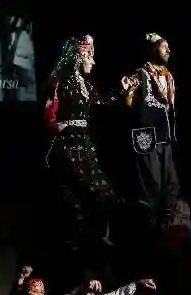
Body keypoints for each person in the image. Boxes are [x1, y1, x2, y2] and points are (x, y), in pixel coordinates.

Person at [44, 35, 131, 249]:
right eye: (90, 57)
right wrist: (60, 126)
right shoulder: (62, 82)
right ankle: (76, 243)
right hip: (69, 145)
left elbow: (103, 101)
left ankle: (97, 238)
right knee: (77, 195)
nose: (93, 62)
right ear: (80, 56)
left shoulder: (86, 85)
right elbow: (49, 110)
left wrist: (121, 89)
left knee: (100, 192)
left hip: (85, 144)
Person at [121, 33, 187, 230]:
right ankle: (148, 234)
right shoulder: (141, 74)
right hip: (147, 138)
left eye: (168, 46)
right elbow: (129, 94)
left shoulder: (168, 76)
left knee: (172, 186)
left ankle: (167, 231)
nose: (168, 50)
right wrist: (128, 90)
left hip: (166, 137)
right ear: (152, 50)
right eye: (163, 46)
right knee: (152, 189)